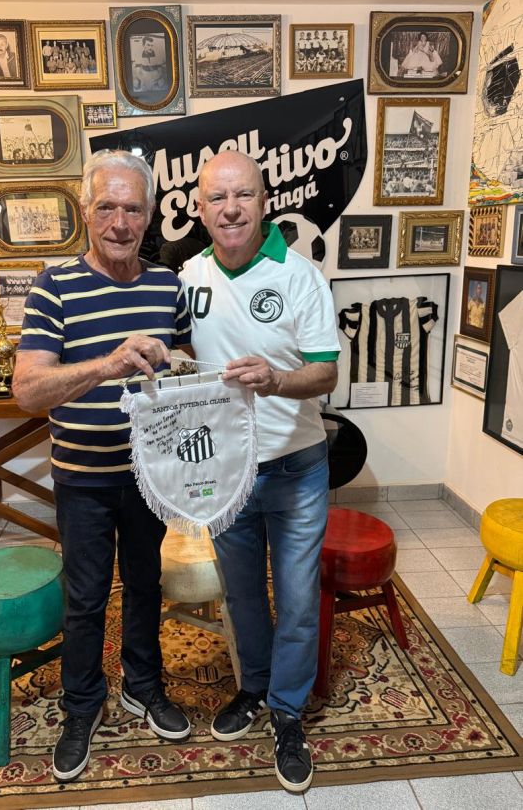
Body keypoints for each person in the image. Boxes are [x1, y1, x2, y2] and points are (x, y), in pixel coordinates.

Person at [12, 149, 192, 783]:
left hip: (149, 477)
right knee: (86, 598)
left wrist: (184, 371)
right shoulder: (53, 287)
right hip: (83, 479)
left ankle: (143, 686)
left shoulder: (169, 286)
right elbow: (27, 390)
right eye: (107, 207)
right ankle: (82, 705)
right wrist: (107, 365)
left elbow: (189, 366)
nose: (120, 222)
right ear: (85, 211)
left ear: (150, 215)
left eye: (133, 209)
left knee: (146, 585)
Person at [179, 150, 340, 793]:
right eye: (217, 199)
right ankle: (254, 687)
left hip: (297, 468)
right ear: (199, 209)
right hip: (227, 471)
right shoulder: (189, 276)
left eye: (242, 195)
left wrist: (275, 380)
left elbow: (325, 372)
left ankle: (287, 713)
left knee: (296, 599)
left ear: (265, 200)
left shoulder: (300, 277)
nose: (230, 210)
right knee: (242, 593)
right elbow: (182, 357)